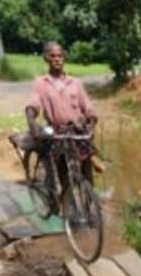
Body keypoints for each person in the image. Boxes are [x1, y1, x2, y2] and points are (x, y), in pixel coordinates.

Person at [20, 41, 103, 201]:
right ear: (46, 58)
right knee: (63, 169)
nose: (57, 59)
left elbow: (87, 106)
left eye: (60, 55)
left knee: (86, 169)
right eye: (53, 56)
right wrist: (32, 122)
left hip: (77, 131)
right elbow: (33, 104)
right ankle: (67, 204)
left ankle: (90, 203)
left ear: (64, 58)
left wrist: (91, 121)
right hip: (57, 132)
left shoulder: (75, 83)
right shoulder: (41, 83)